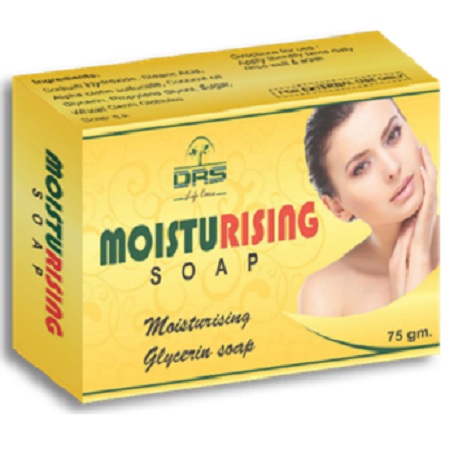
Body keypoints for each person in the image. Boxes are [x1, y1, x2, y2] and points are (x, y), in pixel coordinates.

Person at [298, 98, 439, 317]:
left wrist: (420, 254)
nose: (392, 168)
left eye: (393, 135)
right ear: (337, 207)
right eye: (361, 167)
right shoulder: (325, 295)